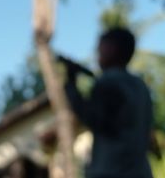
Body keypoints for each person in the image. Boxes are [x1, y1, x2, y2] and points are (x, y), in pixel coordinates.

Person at [64, 27, 153, 178]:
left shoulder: (109, 82)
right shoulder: (140, 86)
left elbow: (94, 119)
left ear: (112, 48)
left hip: (110, 171)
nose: (97, 51)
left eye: (101, 47)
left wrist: (71, 87)